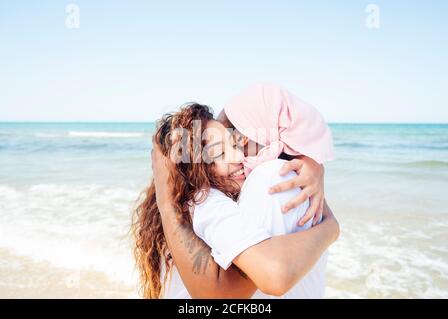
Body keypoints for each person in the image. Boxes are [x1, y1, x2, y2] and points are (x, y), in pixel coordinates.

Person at [133, 102, 339, 298]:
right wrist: (330, 228)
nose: (237, 156)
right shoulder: (203, 200)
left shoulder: (205, 199)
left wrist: (312, 164)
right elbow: (274, 276)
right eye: (219, 152)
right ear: (194, 169)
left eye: (234, 144)